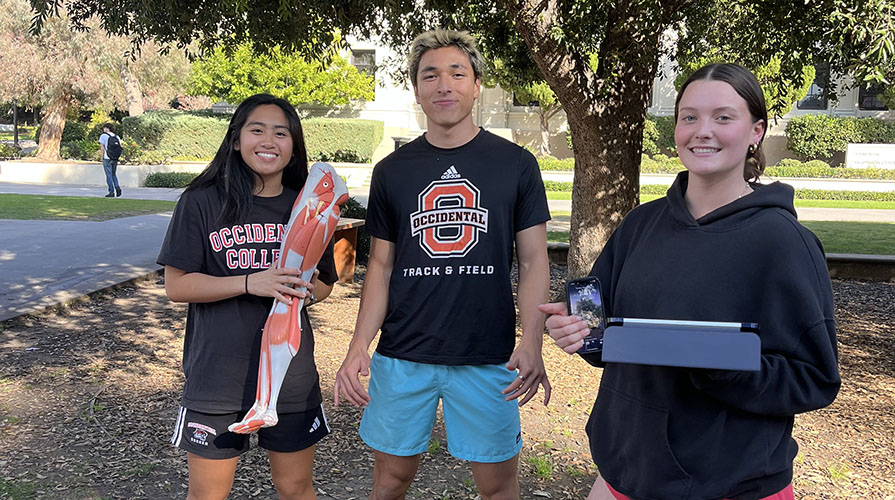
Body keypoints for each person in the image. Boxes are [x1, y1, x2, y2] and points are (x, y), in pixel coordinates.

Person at [539, 62, 841, 500]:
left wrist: (721, 365)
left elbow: (814, 378)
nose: (703, 131)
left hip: (730, 485)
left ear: (756, 131)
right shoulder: (641, 225)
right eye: (689, 117)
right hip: (623, 470)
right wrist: (577, 332)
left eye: (723, 117)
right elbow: (606, 338)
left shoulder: (784, 243)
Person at [334, 29, 552, 500]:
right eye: (430, 75)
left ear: (476, 85)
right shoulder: (393, 170)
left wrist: (532, 341)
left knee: (498, 488)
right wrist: (357, 346)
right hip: (402, 355)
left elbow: (535, 262)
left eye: (458, 73)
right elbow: (382, 267)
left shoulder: (516, 164)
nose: (444, 85)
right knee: (390, 481)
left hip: (486, 354)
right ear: (417, 89)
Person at [157, 94, 337, 500]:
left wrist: (305, 294)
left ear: (293, 147)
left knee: (295, 487)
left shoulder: (307, 209)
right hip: (217, 378)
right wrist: (249, 282)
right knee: (208, 494)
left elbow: (325, 282)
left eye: (282, 132)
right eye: (257, 130)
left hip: (290, 378)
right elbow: (177, 285)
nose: (269, 140)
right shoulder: (201, 201)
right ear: (237, 139)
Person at [98, 123, 122, 197]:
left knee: (108, 175)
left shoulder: (103, 136)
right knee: (113, 174)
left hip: (107, 157)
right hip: (115, 157)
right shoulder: (116, 136)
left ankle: (111, 191)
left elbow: (102, 148)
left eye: (104, 128)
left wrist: (102, 157)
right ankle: (117, 186)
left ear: (107, 128)